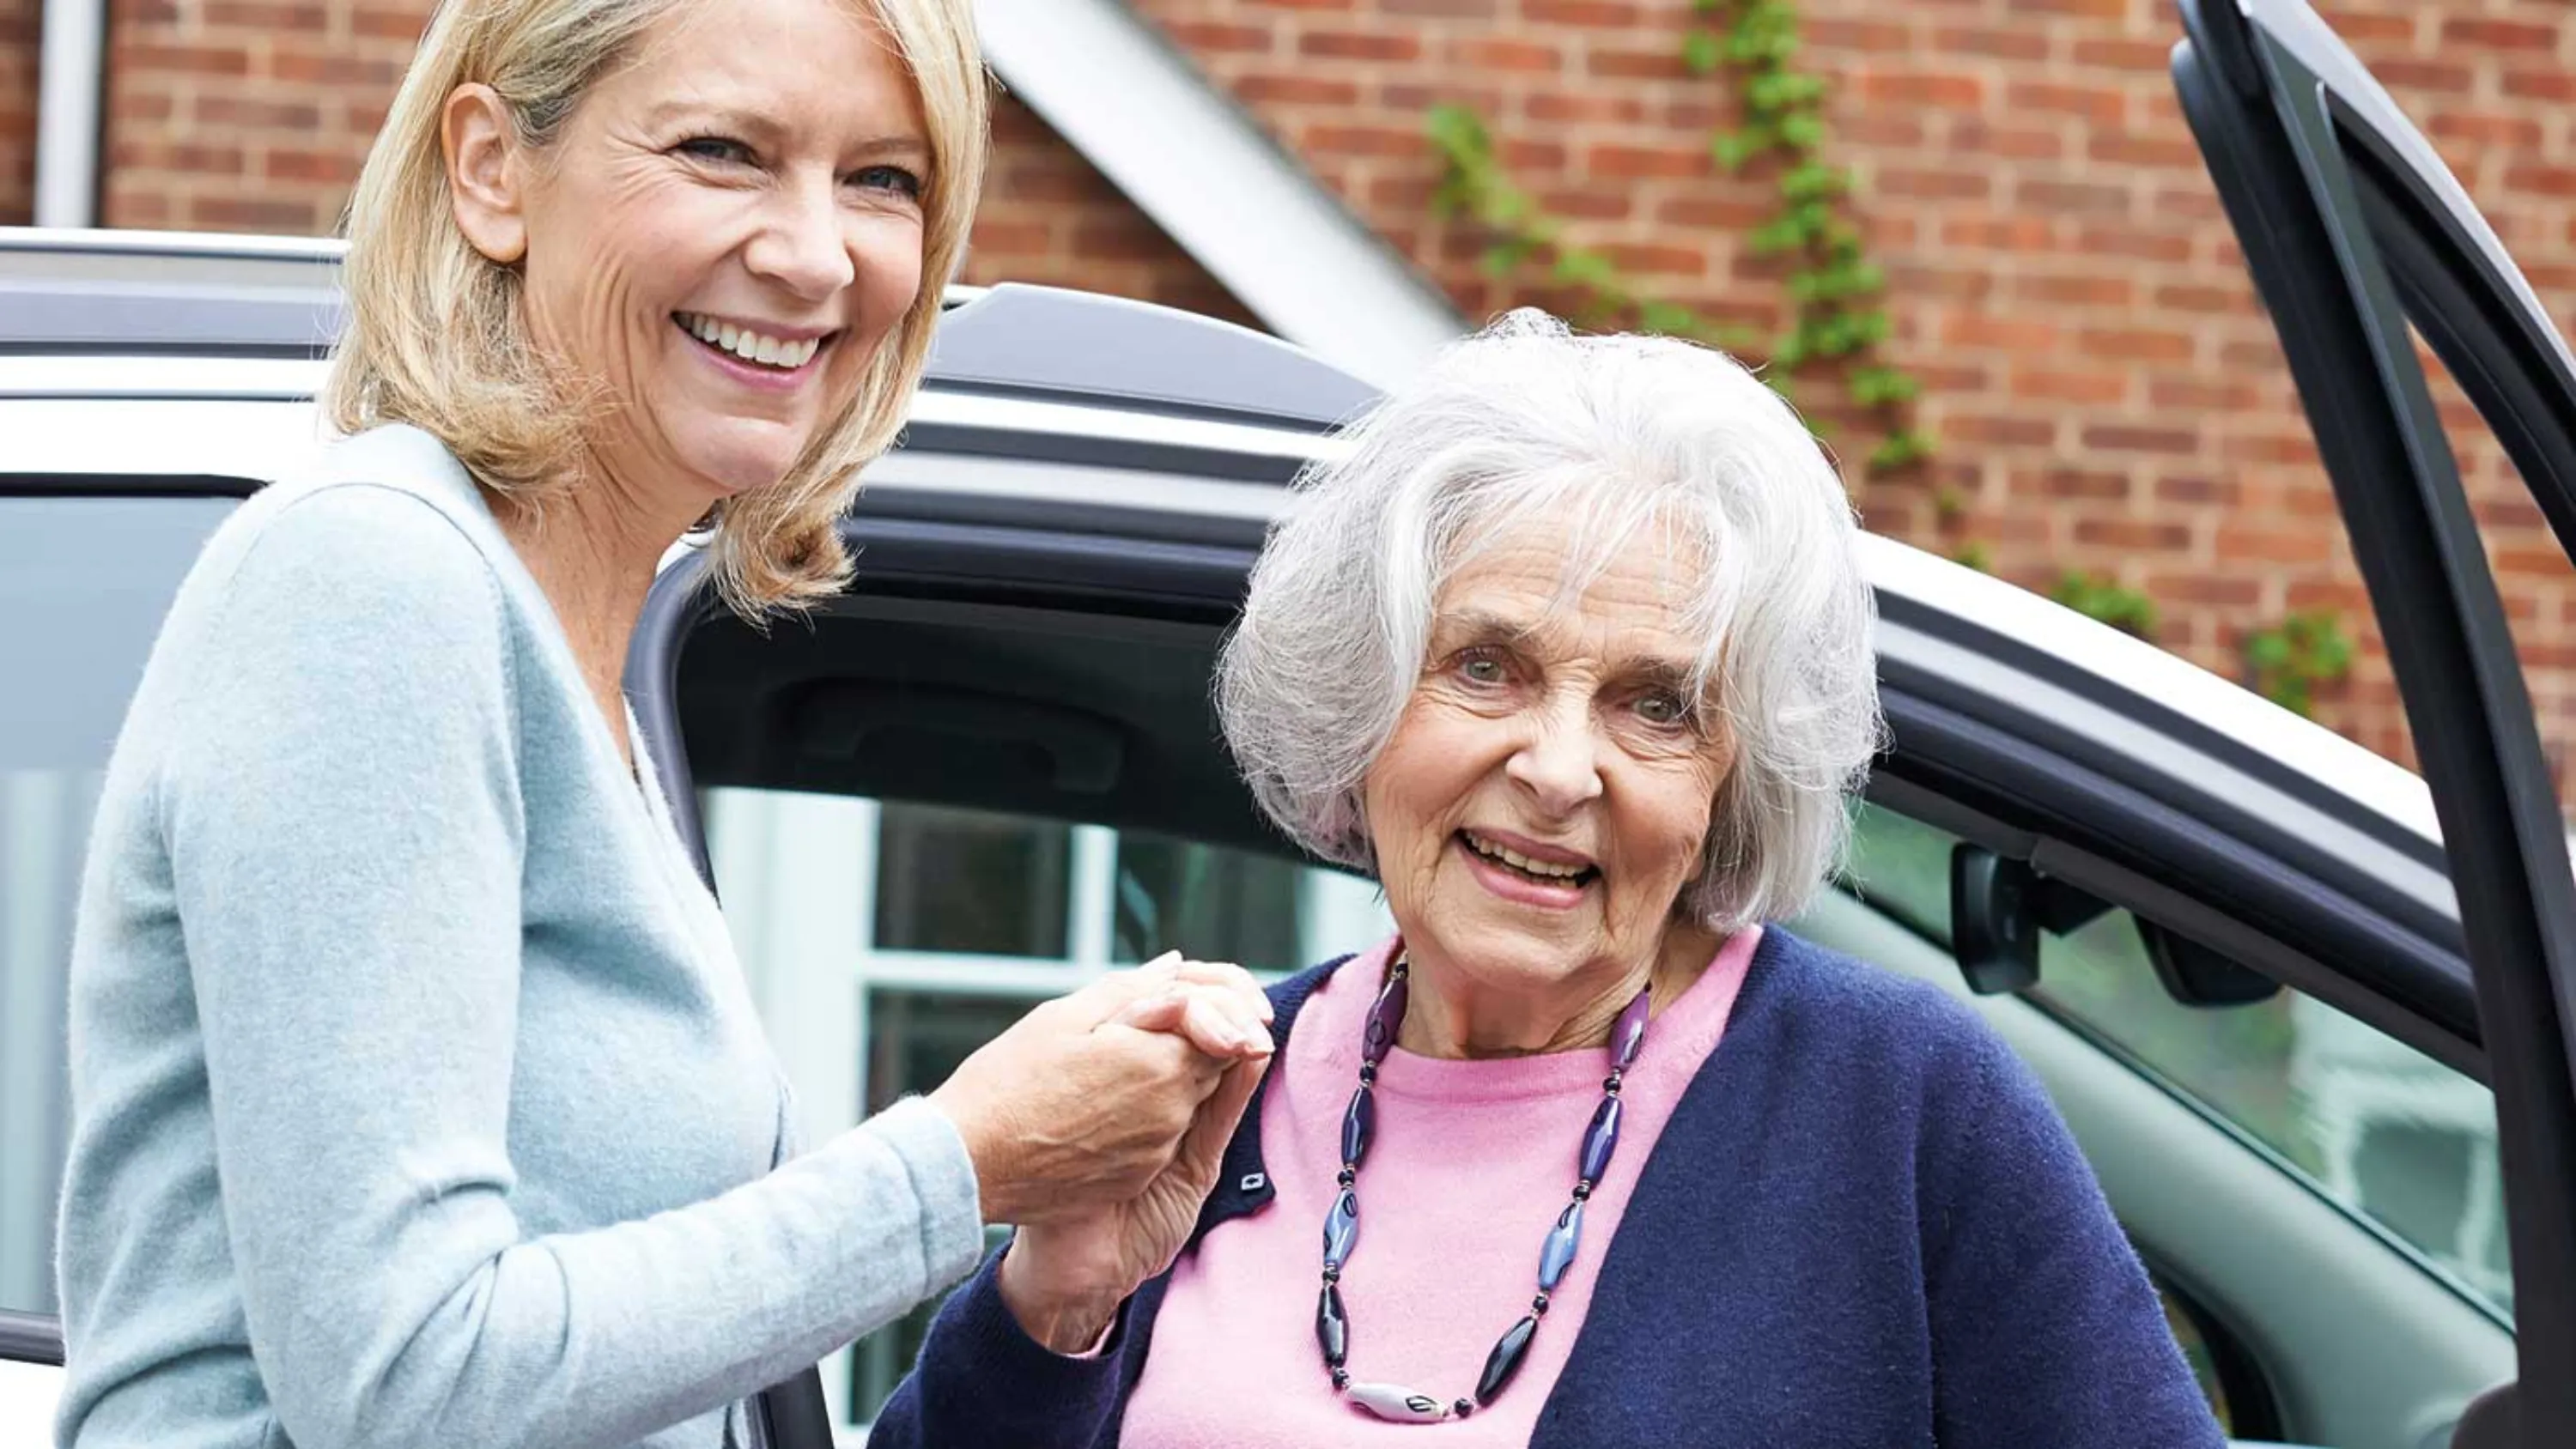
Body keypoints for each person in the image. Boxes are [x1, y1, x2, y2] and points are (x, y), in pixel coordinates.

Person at [50, 1, 1271, 1446]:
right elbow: (406, 1387)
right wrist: (962, 1159)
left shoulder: (583, 664)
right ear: (491, 170)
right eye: (721, 151)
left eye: (882, 179)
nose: (815, 254)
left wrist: (1046, 1303)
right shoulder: (375, 583)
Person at [870, 312, 2230, 1447]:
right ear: (1364, 701)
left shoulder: (1899, 1104)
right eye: (1487, 668)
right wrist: (1055, 1307)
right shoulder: (1212, 1096)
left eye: (1656, 705)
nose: (1562, 768)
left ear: (1730, 776)